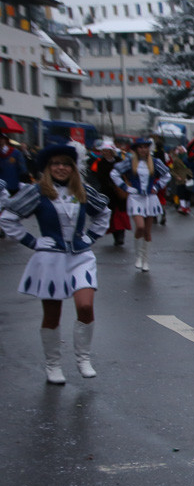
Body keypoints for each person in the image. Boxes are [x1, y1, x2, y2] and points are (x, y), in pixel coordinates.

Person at [0, 145, 111, 385]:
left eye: (66, 163)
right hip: (50, 259)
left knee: (85, 306)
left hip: (80, 256)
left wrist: (90, 237)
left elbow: (103, 213)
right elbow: (8, 217)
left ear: (73, 167)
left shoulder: (82, 190)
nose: (61, 167)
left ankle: (83, 358)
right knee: (52, 314)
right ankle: (53, 364)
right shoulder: (37, 191)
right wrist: (33, 241)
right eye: (55, 163)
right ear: (47, 168)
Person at [110, 137, 170, 272]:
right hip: (136, 198)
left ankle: (145, 260)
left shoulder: (155, 162)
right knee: (140, 227)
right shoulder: (130, 162)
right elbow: (114, 173)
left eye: (145, 147)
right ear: (136, 149)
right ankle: (138, 256)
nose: (143, 149)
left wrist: (157, 186)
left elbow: (167, 174)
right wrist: (126, 188)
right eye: (140, 147)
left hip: (150, 198)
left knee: (148, 232)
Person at [91, 139, 131, 247]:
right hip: (108, 193)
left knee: (121, 215)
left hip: (120, 192)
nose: (106, 152)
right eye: (104, 150)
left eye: (108, 150)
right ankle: (116, 236)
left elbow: (125, 173)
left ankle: (121, 235)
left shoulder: (119, 161)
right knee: (111, 216)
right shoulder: (101, 163)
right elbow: (100, 177)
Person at [0, 130, 30, 196]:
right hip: (1, 189)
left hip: (13, 186)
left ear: (4, 140)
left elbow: (23, 169)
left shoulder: (15, 153)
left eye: (1, 138)